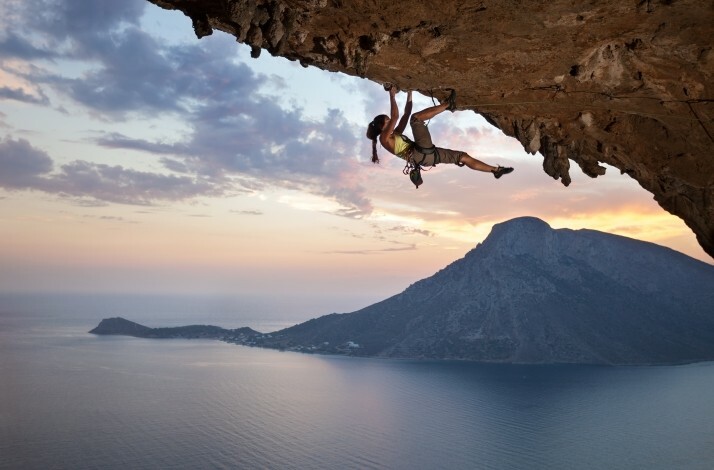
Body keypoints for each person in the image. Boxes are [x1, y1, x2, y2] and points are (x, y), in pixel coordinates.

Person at [366, 85, 514, 179]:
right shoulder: (384, 139)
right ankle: (448, 104)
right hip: (419, 153)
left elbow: (405, 114)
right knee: (416, 119)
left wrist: (409, 92)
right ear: (381, 127)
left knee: (463, 157)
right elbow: (397, 116)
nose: (390, 121)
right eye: (387, 121)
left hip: (427, 157)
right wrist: (391, 95)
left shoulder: (395, 134)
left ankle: (495, 170)